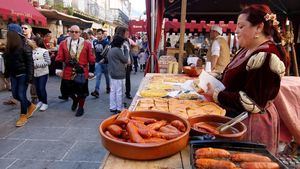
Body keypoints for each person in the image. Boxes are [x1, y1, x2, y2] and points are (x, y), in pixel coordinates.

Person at [204, 4, 289, 154]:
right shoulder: (246, 49)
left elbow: (252, 102)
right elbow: (235, 76)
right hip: (235, 120)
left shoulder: (267, 56)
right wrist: (214, 78)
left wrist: (216, 94)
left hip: (250, 125)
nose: (236, 31)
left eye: (241, 26)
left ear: (259, 27)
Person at [55, 25, 95, 116]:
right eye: (72, 31)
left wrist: (91, 71)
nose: (74, 33)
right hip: (68, 71)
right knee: (66, 91)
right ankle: (75, 100)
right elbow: (59, 57)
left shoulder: (87, 44)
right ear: (69, 32)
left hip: (82, 71)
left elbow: (91, 58)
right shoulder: (63, 43)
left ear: (79, 33)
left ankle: (81, 107)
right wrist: (58, 69)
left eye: (76, 32)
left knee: (82, 92)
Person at [3, 24, 37, 126]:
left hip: (23, 74)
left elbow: (30, 63)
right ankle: (30, 106)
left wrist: (30, 77)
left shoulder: (25, 46)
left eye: (9, 34)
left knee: (21, 95)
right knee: (15, 95)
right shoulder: (8, 47)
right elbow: (8, 63)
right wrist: (6, 74)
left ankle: (23, 116)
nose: (7, 36)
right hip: (14, 75)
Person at [107, 35, 127, 113]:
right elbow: (125, 60)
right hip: (119, 73)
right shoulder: (118, 50)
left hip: (112, 73)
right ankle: (119, 107)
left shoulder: (111, 50)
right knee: (119, 91)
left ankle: (112, 106)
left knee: (113, 91)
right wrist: (126, 50)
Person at [32, 36, 51, 111]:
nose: (31, 42)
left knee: (41, 88)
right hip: (34, 73)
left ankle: (45, 103)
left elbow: (48, 62)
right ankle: (40, 101)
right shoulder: (30, 51)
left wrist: (37, 65)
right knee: (37, 88)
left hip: (43, 73)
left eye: (33, 41)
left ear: (37, 42)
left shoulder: (44, 51)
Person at [21, 24, 38, 103]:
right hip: (23, 63)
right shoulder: (20, 39)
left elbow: (41, 49)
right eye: (22, 28)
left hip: (33, 62)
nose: (23, 29)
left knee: (33, 81)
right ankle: (18, 97)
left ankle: (34, 97)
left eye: (25, 28)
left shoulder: (36, 39)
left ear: (30, 30)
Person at [91, 28, 110, 98]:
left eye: (100, 34)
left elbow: (108, 52)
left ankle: (108, 87)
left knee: (106, 76)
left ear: (102, 34)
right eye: (97, 34)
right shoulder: (95, 42)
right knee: (98, 76)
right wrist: (94, 56)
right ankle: (96, 91)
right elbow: (93, 50)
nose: (98, 35)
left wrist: (104, 59)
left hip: (105, 62)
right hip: (97, 62)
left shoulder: (106, 42)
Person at [115, 26, 133, 99]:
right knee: (120, 82)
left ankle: (127, 93)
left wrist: (131, 60)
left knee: (127, 79)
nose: (128, 34)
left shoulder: (127, 41)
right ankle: (118, 99)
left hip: (127, 64)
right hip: (121, 65)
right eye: (126, 32)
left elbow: (129, 51)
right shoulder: (117, 41)